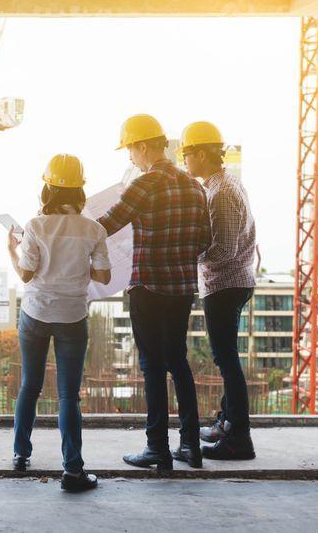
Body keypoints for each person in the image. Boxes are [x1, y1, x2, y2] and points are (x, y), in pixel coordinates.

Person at [97, 114, 211, 472]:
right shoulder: (195, 187)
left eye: (130, 150)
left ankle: (157, 448)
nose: (130, 157)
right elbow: (205, 241)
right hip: (181, 289)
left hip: (148, 286)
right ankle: (191, 446)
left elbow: (105, 226)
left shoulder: (144, 185)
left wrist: (63, 222)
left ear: (143, 146)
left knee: (151, 367)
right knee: (178, 362)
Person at [8, 153, 112, 492]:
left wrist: (13, 248)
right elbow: (104, 276)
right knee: (69, 395)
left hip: (35, 313)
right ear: (80, 190)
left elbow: (26, 274)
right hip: (72, 316)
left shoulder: (35, 227)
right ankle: (72, 471)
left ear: (47, 189)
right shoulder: (94, 229)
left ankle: (21, 454)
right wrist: (78, 264)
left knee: (30, 386)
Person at [180, 121, 258, 460]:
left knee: (226, 360)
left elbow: (224, 249)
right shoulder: (225, 185)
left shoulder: (221, 192)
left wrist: (188, 256)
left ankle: (238, 438)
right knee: (226, 357)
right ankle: (227, 422)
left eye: (186, 155)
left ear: (200, 153)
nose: (184, 162)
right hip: (232, 282)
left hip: (225, 284)